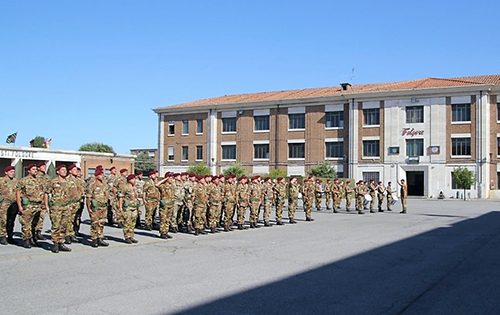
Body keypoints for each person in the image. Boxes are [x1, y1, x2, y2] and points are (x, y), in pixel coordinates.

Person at [44, 164, 72, 253]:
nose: (64, 171)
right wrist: (47, 206)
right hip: (56, 207)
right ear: (58, 171)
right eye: (62, 170)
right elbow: (46, 193)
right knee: (56, 226)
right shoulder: (53, 182)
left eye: (65, 169)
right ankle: (55, 244)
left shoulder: (69, 182)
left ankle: (61, 243)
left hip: (66, 207)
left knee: (64, 226)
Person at [16, 164, 45, 248]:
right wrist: (20, 206)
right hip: (28, 205)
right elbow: (18, 194)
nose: (35, 170)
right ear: (28, 171)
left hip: (38, 205)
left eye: (36, 169)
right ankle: (26, 240)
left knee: (35, 224)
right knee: (26, 224)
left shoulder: (39, 181)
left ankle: (33, 239)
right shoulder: (23, 181)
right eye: (33, 169)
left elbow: (42, 193)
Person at [85, 168, 110, 247]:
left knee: (101, 223)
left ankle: (100, 237)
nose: (102, 176)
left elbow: (107, 194)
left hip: (103, 207)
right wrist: (89, 208)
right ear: (96, 176)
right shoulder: (92, 185)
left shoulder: (104, 185)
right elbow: (88, 198)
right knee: (95, 223)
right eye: (100, 175)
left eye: (102, 174)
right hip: (95, 207)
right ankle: (94, 239)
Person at [118, 174, 139, 243]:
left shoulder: (134, 188)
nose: (134, 180)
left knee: (133, 222)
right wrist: (120, 207)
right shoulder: (125, 187)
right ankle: (127, 236)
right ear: (129, 180)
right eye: (133, 179)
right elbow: (121, 197)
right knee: (127, 222)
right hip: (128, 207)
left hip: (134, 207)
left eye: (134, 179)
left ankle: (131, 236)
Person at [0, 166, 18, 245]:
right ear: (6, 172)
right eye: (11, 172)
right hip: (4, 203)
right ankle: (2, 236)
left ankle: (10, 236)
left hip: (13, 203)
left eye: (13, 172)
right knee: (3, 220)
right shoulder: (1, 180)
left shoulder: (16, 181)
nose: (12, 173)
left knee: (11, 220)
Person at [156, 173, 174, 239]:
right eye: (170, 178)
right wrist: (165, 179)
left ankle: (166, 231)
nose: (172, 179)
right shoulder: (163, 186)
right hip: (164, 205)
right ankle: (162, 232)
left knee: (167, 219)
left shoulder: (172, 186)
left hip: (170, 205)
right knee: (163, 219)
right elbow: (156, 184)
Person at [34, 162, 50, 240]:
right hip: (37, 199)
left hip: (44, 200)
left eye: (45, 166)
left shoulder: (47, 177)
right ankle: (33, 232)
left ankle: (39, 232)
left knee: (42, 217)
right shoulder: (36, 176)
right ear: (38, 168)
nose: (44, 167)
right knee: (35, 217)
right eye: (42, 166)